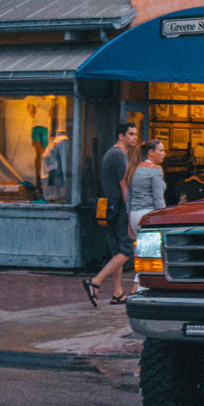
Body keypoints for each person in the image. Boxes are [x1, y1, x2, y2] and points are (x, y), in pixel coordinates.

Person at [84, 122, 138, 307]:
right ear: (121, 136)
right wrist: (130, 211)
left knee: (117, 251)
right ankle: (95, 281)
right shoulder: (118, 155)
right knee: (126, 250)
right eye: (130, 134)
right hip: (119, 207)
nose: (134, 137)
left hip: (110, 207)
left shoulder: (113, 154)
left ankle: (117, 293)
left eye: (135, 134)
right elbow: (124, 184)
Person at [127, 140, 169, 258]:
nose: (164, 153)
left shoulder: (134, 169)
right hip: (149, 214)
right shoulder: (156, 169)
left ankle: (138, 276)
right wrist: (164, 218)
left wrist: (129, 222)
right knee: (153, 255)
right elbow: (158, 198)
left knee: (141, 253)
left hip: (134, 215)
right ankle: (141, 277)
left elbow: (129, 198)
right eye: (160, 150)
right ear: (151, 152)